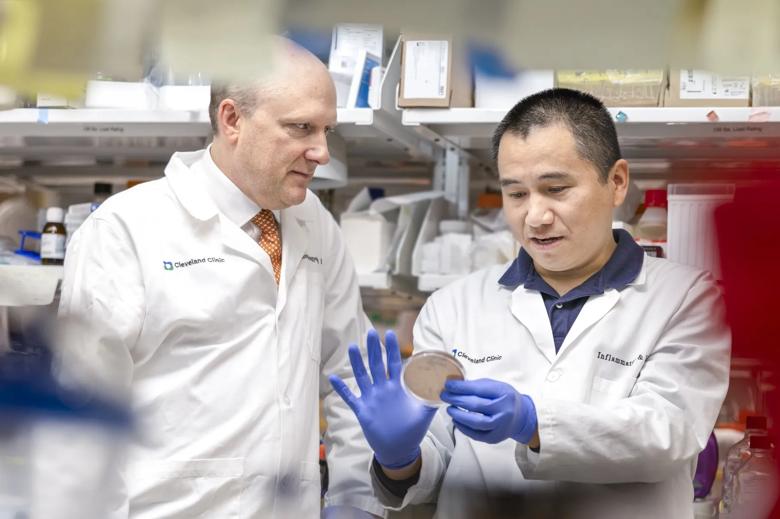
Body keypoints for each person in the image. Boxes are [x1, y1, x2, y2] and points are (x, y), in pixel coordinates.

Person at [331, 88, 731, 519]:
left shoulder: (687, 299)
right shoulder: (453, 306)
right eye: (516, 194)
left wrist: (533, 421)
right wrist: (398, 459)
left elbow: (668, 432)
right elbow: (440, 459)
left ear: (616, 182)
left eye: (556, 189)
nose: (535, 217)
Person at [57, 38, 383, 518]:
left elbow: (349, 379)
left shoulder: (314, 223)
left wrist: (356, 501)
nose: (321, 152)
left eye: (326, 130)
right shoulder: (127, 229)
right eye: (301, 128)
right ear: (232, 120)